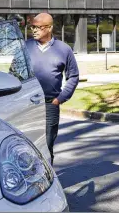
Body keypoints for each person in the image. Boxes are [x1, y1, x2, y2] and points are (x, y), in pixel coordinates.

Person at [26, 13, 79, 166]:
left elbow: (73, 76)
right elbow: (14, 73)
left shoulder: (64, 49)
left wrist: (60, 99)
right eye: (32, 27)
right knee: (26, 144)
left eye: (38, 27)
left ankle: (47, 181)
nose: (34, 30)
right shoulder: (25, 47)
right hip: (27, 105)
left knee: (47, 145)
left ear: (49, 28)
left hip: (50, 105)